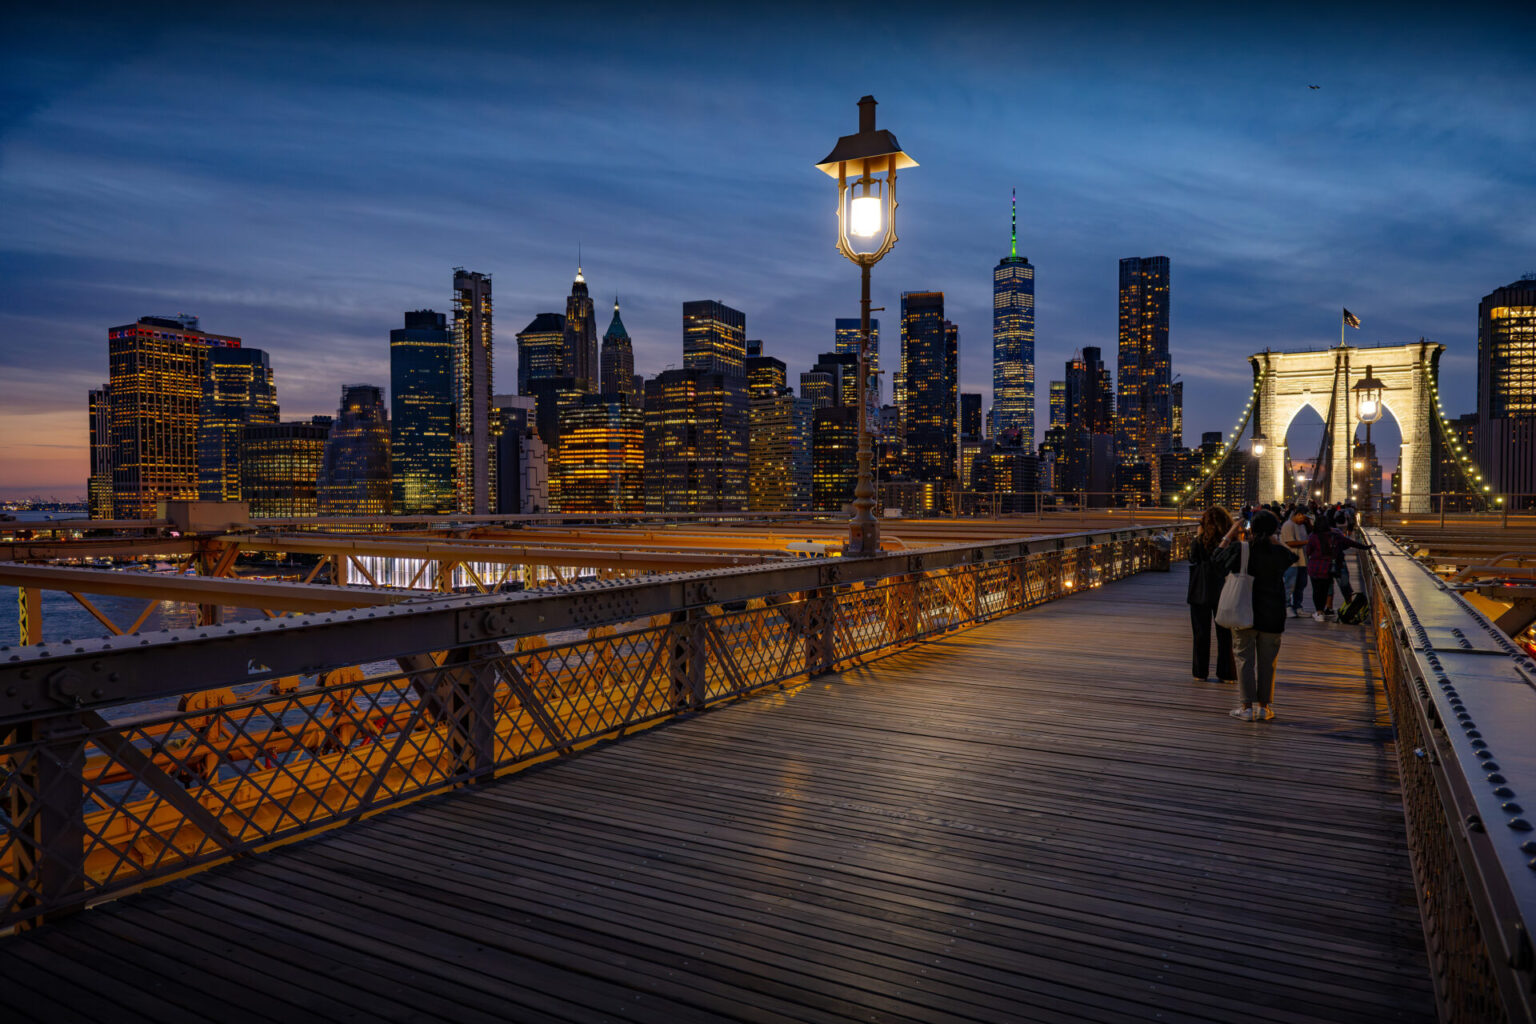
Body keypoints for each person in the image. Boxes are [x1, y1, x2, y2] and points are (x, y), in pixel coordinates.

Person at [1214, 509, 1293, 722]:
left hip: (1244, 612)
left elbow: (1216, 559)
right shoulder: (1279, 553)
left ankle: (1246, 707)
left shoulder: (1241, 549)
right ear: (1274, 530)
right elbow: (1292, 556)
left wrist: (1230, 533)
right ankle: (1264, 708)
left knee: (1243, 660)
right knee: (1268, 663)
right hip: (1272, 614)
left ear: (1251, 528)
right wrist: (1275, 539)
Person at [1187, 506, 1236, 683]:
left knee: (1200, 633)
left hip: (1200, 590)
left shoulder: (1199, 541)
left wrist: (1198, 536)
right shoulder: (1232, 542)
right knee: (1225, 635)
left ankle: (1200, 673)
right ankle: (1227, 673)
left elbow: (1192, 558)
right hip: (1224, 589)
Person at [1279, 507, 1310, 616]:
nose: (1304, 520)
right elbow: (1289, 542)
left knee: (1300, 585)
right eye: (1303, 517)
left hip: (1302, 560)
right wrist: (1307, 542)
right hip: (1291, 562)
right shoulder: (1288, 525)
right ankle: (1286, 606)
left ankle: (1298, 607)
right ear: (1298, 514)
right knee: (1289, 585)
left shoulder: (1301, 526)